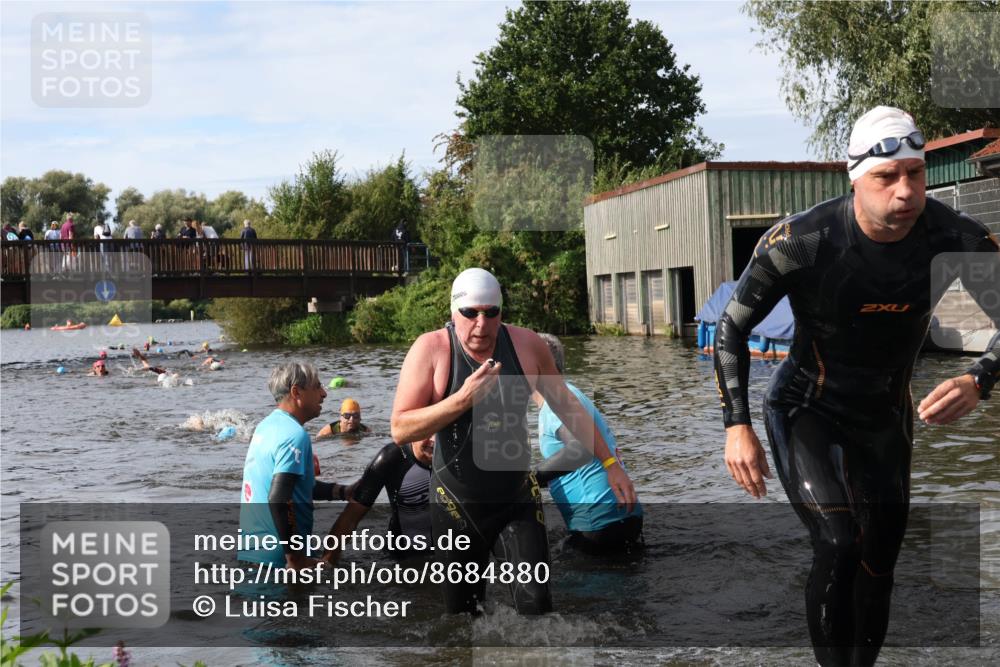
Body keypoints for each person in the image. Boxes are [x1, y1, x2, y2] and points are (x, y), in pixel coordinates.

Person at [714, 106, 1000, 667]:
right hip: (806, 407)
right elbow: (732, 326)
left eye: (915, 173)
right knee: (839, 542)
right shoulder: (802, 240)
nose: (905, 191)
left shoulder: (955, 237)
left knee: (880, 559)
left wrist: (979, 378)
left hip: (883, 415)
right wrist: (736, 426)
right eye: (886, 177)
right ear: (855, 179)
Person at [390, 267, 636, 615]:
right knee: (462, 620)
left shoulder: (525, 344)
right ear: (453, 312)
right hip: (455, 505)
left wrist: (611, 464)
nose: (481, 323)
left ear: (501, 311)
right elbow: (400, 428)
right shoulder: (431, 350)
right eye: (470, 313)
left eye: (491, 312)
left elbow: (570, 409)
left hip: (516, 500)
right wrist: (461, 400)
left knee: (539, 611)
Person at [533, 334, 643, 555]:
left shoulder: (556, 403)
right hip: (620, 517)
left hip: (598, 523)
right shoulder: (568, 394)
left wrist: (530, 479)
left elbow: (581, 449)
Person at [238, 362, 345, 569]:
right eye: (317, 387)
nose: (324, 394)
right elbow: (278, 498)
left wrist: (341, 491)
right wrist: (296, 559)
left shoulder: (265, 427)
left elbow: (297, 486)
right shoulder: (294, 435)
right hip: (278, 561)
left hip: (251, 554)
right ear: (296, 392)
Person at [321, 437, 433, 564]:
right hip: (400, 557)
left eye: (441, 432)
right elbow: (350, 517)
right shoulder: (391, 457)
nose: (434, 440)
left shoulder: (456, 457)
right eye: (429, 432)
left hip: (449, 552)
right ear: (414, 431)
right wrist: (326, 564)